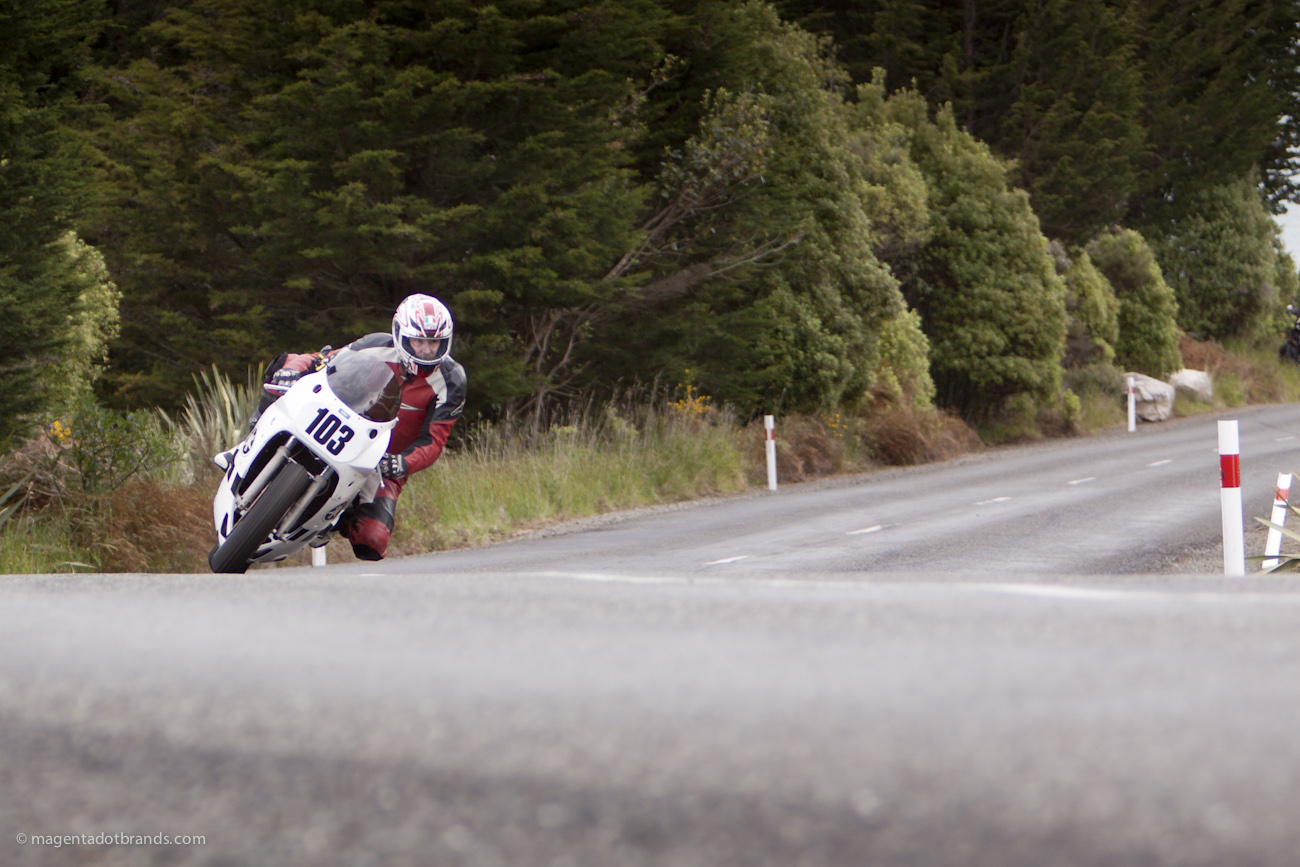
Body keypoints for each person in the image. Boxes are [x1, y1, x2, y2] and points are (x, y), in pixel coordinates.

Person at [217, 294, 466, 561]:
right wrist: (292, 369)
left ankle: (337, 518)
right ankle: (246, 445)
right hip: (341, 423)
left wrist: (402, 464)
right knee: (282, 366)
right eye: (419, 341)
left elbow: (434, 441)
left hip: (382, 462)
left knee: (372, 542)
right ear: (400, 334)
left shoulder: (451, 381)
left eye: (434, 343)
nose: (426, 350)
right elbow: (322, 360)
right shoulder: (373, 345)